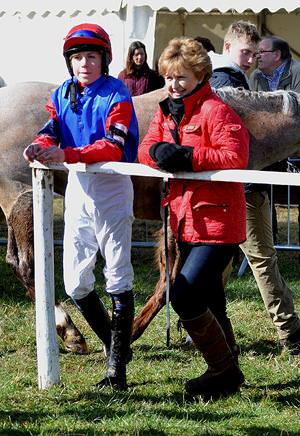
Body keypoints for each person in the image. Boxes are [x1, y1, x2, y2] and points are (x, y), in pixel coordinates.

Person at [23, 23, 139, 390]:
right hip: (78, 188)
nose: (84, 64)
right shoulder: (62, 93)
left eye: (90, 57)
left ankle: (116, 371)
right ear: (69, 63)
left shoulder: (117, 93)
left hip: (112, 187)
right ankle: (115, 345)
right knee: (75, 283)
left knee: (117, 275)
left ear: (104, 59)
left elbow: (113, 144)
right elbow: (51, 129)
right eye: (77, 58)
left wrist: (66, 154)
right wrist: (39, 146)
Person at [138, 37, 249, 400]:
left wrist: (188, 156)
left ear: (201, 75)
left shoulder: (216, 111)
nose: (173, 84)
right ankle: (228, 371)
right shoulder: (165, 110)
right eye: (169, 77)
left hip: (218, 224)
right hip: (182, 220)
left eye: (181, 77)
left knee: (184, 294)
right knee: (211, 298)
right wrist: (157, 151)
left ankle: (222, 372)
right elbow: (144, 149)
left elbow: (235, 156)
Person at [211, 22, 300, 355]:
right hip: (244, 187)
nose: (249, 59)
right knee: (263, 259)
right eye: (244, 52)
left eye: (253, 52)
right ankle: (290, 332)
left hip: (243, 185)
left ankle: (204, 327)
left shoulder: (235, 79)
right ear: (227, 49)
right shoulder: (224, 82)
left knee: (221, 262)